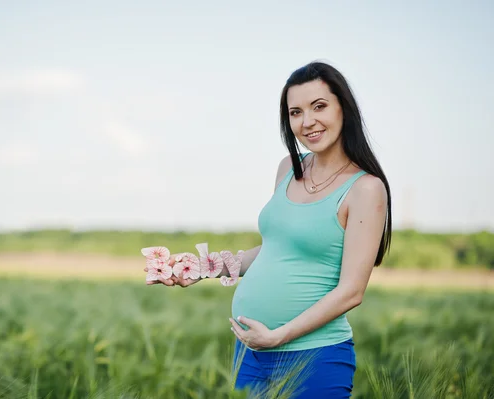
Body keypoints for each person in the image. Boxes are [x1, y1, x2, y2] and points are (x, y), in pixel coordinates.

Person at [144, 61, 391, 398]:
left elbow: (351, 291)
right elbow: (273, 251)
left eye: (319, 107)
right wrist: (202, 268)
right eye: (295, 112)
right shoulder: (289, 169)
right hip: (251, 352)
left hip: (313, 358)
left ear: (343, 109)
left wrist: (279, 335)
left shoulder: (365, 189)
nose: (307, 122)